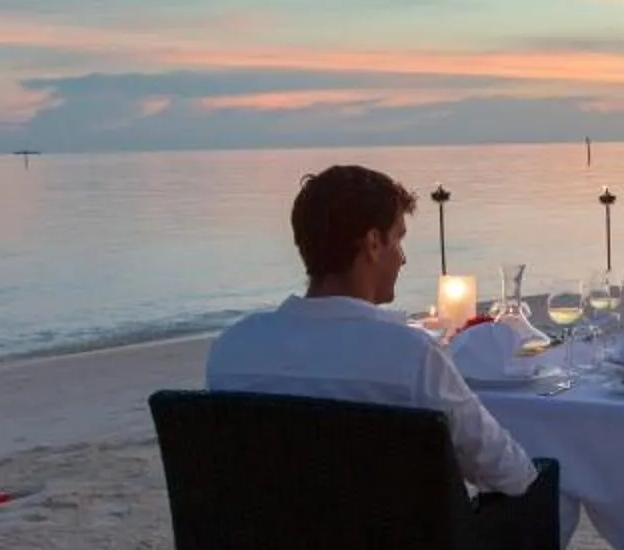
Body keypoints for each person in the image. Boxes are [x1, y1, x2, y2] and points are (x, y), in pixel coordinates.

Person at [206, 164, 541, 497]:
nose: (403, 258)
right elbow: (510, 474)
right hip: (394, 548)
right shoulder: (410, 356)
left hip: (264, 547)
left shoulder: (232, 349)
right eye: (398, 238)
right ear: (373, 243)